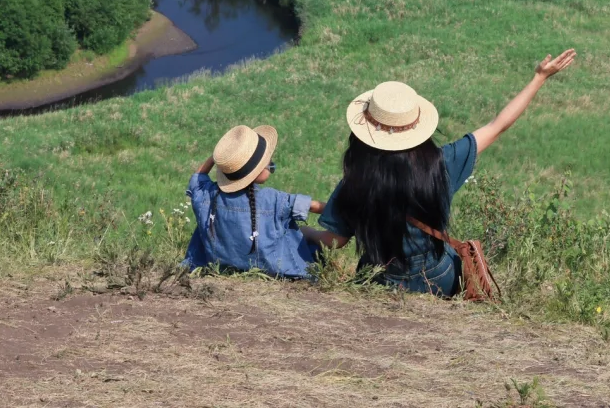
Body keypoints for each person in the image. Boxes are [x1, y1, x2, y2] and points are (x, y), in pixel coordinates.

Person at [314, 50, 577, 297]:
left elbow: (334, 240)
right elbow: (497, 125)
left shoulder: (355, 181)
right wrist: (539, 78)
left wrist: (301, 231)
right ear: (417, 126)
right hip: (440, 277)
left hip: (381, 279)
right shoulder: (440, 163)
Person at [184, 121, 327, 278]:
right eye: (269, 162)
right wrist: (341, 212)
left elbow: (197, 179)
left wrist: (218, 158)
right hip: (274, 270)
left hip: (220, 267)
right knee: (307, 238)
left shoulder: (208, 196)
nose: (271, 164)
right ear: (259, 170)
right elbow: (313, 206)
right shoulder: (274, 199)